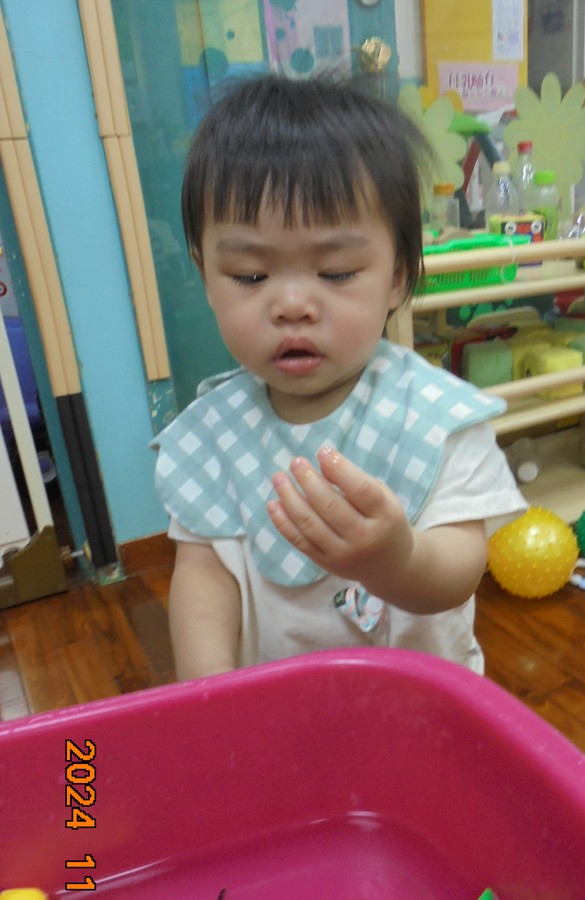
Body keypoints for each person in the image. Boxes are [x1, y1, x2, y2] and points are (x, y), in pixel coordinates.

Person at [152, 73, 526, 680]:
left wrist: (396, 561)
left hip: (418, 707)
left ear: (397, 277)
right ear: (206, 277)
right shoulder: (212, 435)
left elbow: (460, 571)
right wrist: (210, 701)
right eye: (250, 276)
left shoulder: (436, 418)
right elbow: (202, 577)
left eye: (336, 272)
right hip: (278, 714)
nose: (292, 305)